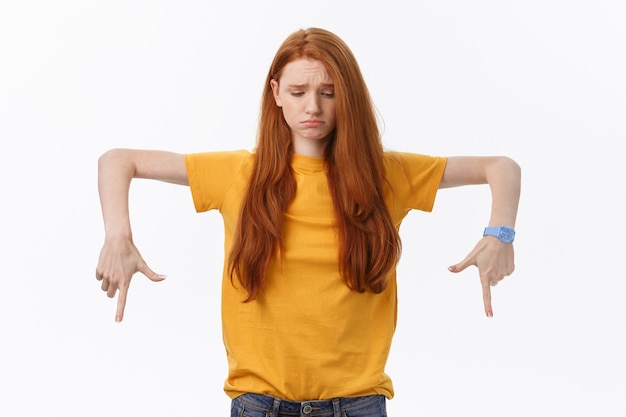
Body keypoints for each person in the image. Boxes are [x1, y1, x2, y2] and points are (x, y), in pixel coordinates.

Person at [96, 27, 521, 417]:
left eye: (329, 92)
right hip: (258, 405)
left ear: (348, 97)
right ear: (276, 93)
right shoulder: (238, 174)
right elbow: (118, 160)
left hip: (358, 405)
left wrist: (500, 234)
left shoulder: (386, 176)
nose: (313, 106)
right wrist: (118, 236)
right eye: (299, 91)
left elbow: (501, 167)